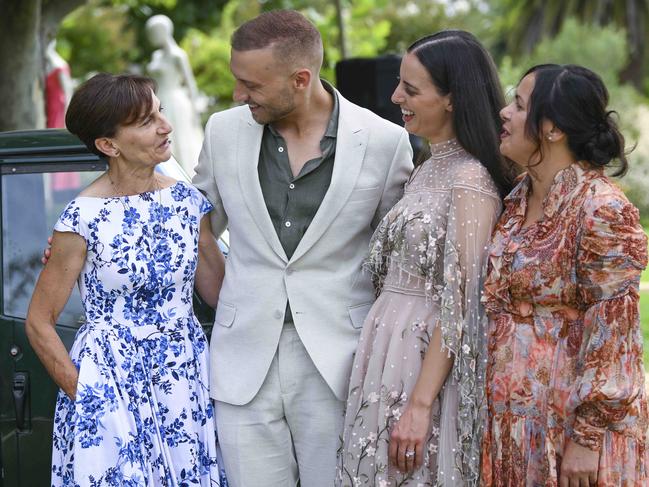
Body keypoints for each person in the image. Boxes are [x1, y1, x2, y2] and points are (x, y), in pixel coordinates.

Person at [192, 10, 413, 487]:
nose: (237, 95)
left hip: (339, 361)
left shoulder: (384, 142)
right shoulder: (222, 131)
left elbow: (399, 260)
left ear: (300, 78)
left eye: (250, 84)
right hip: (241, 356)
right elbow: (193, 226)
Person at [26, 73, 228, 486]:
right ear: (108, 145)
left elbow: (220, 294)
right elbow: (39, 321)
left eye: (161, 112)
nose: (165, 126)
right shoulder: (81, 217)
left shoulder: (188, 202)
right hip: (109, 381)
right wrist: (84, 395)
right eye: (145, 121)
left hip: (183, 376)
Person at [336, 31, 511, 486]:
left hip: (422, 363)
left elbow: (463, 302)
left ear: (453, 99)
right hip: (385, 350)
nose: (396, 97)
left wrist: (419, 404)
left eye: (411, 90)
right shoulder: (428, 167)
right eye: (399, 84)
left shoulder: (470, 179)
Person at [481, 64, 649, 486]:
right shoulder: (517, 199)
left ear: (552, 128)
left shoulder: (602, 209)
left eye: (518, 105)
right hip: (512, 425)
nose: (503, 112)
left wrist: (587, 439)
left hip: (570, 437)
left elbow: (616, 339)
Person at [146, 14, 205, 176]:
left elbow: (191, 83)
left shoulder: (177, 55)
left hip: (176, 101)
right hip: (158, 101)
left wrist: (195, 109)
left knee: (180, 139)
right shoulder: (156, 56)